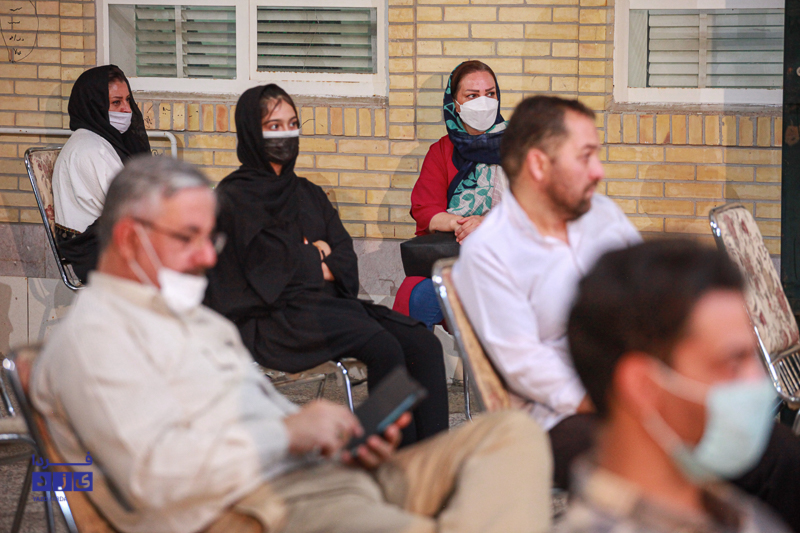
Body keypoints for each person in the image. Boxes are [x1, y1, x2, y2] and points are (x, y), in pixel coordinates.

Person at [30, 155, 554, 533]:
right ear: (129, 238)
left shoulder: (197, 321)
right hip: (264, 509)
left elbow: (260, 414)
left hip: (327, 476)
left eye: (210, 239)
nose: (208, 257)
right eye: (187, 238)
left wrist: (335, 444)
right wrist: (287, 434)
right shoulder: (97, 338)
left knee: (512, 436)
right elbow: (151, 476)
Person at [453, 95, 800, 531]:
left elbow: (650, 295)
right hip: (565, 415)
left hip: (647, 384)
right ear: (539, 165)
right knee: (673, 455)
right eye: (585, 156)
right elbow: (526, 364)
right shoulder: (489, 252)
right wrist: (624, 400)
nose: (598, 170)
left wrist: (683, 376)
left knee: (778, 451)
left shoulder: (601, 213)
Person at [205, 84, 449, 446]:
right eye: (274, 126)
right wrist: (316, 256)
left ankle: (435, 454)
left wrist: (310, 257)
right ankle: (394, 457)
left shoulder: (307, 193)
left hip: (326, 307)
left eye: (292, 124)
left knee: (423, 343)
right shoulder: (234, 198)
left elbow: (345, 258)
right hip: (270, 320)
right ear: (251, 132)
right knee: (383, 347)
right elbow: (267, 272)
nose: (286, 135)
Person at [557, 239, 790, 533]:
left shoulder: (739, 515)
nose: (758, 384)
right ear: (643, 387)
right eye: (732, 363)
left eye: (753, 358)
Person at [393, 61, 509, 330]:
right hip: (456, 256)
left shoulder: (520, 147)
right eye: (472, 95)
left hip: (508, 260)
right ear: (455, 104)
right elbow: (425, 210)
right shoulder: (442, 151)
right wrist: (465, 225)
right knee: (414, 294)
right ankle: (413, 358)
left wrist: (487, 223)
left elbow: (536, 209)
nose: (483, 102)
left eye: (490, 94)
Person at [52, 64, 151, 282]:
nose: (127, 109)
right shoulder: (91, 148)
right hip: (97, 251)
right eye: (116, 102)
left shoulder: (100, 141)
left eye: (128, 100)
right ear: (94, 104)